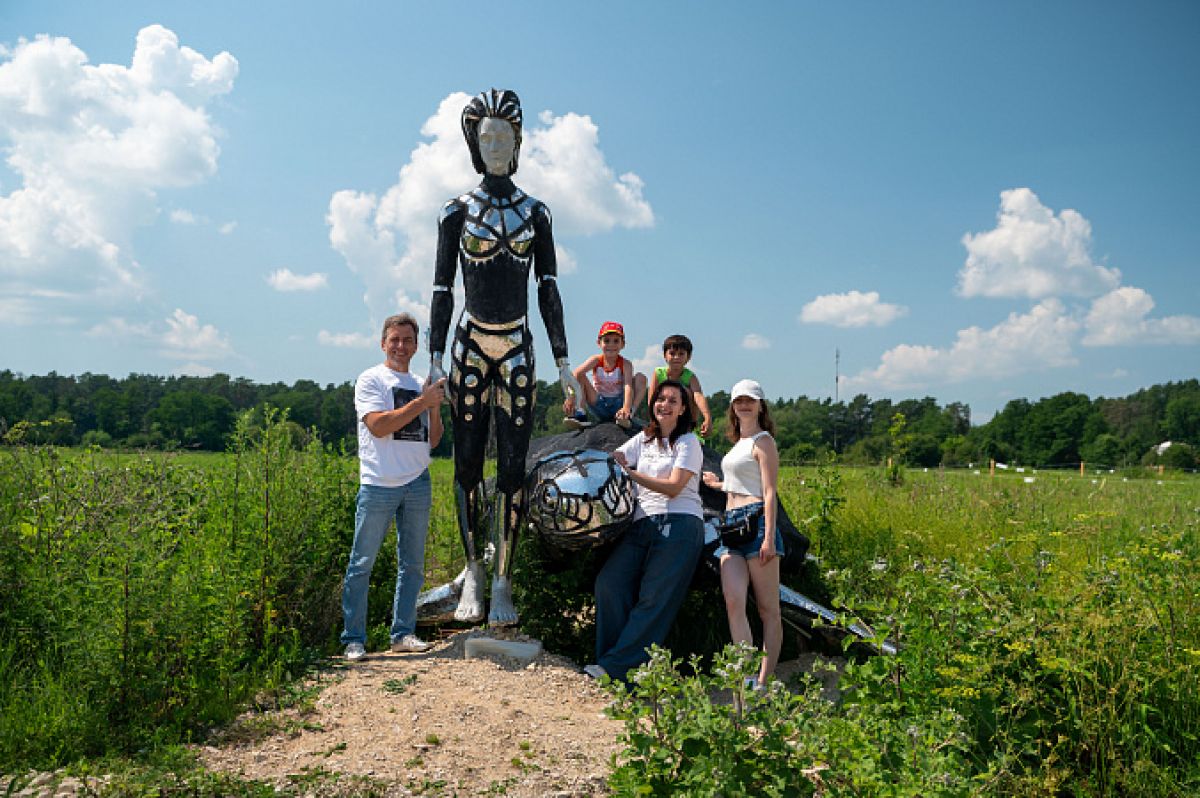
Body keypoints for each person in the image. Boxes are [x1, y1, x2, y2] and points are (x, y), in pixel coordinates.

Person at [428, 88, 582, 626]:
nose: (494, 145)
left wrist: (564, 363)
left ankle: (503, 581)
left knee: (513, 468)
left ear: (518, 141)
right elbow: (442, 289)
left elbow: (549, 288)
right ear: (473, 142)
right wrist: (432, 358)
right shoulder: (456, 211)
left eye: (503, 136)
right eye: (485, 136)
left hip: (518, 347)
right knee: (468, 464)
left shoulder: (535, 213)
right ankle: (472, 568)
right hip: (469, 347)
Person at [586, 379, 706, 682]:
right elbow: (616, 460)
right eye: (660, 399)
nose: (664, 405)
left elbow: (675, 487)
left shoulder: (688, 442)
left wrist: (632, 473)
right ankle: (613, 662)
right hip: (641, 523)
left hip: (679, 525)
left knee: (654, 599)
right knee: (609, 583)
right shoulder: (644, 439)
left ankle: (615, 669)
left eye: (673, 401)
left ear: (682, 410)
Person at [341, 313, 446, 661]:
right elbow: (378, 427)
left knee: (413, 565)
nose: (401, 346)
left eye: (408, 340)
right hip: (379, 483)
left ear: (416, 346)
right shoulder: (371, 379)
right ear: (383, 342)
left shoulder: (421, 381)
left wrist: (435, 405)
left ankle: (403, 633)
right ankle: (353, 638)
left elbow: (433, 440)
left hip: (418, 480)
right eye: (395, 339)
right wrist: (422, 402)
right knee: (362, 563)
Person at [702, 378, 783, 688]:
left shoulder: (763, 441)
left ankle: (763, 681)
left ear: (760, 405)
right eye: (739, 401)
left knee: (767, 609)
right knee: (734, 601)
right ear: (733, 407)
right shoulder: (738, 443)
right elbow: (741, 483)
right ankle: (746, 675)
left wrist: (768, 537)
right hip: (732, 525)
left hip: (757, 522)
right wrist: (719, 485)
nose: (744, 405)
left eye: (750, 400)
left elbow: (769, 491)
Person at [562, 320, 646, 430]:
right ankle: (580, 413)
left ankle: (629, 414)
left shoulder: (626, 364)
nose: (611, 345)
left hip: (618, 405)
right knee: (579, 375)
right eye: (606, 341)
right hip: (599, 403)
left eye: (616, 341)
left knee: (641, 378)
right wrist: (571, 396)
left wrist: (626, 407)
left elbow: (628, 386)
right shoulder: (596, 360)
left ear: (623, 344)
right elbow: (574, 375)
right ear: (599, 343)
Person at [648, 334, 712, 438]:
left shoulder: (690, 376)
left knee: (686, 391)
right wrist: (653, 419)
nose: (676, 357)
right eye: (672, 353)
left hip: (683, 415)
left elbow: (698, 395)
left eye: (681, 354)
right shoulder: (658, 373)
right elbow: (651, 398)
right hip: (663, 412)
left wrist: (707, 417)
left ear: (688, 357)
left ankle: (690, 427)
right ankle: (658, 426)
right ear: (665, 355)